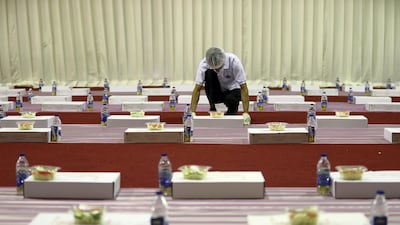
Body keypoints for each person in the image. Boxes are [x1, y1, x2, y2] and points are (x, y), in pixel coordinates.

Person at [190, 47, 251, 125]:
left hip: (233, 90)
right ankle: (213, 107)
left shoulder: (234, 61)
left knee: (231, 99)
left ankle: (232, 109)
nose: (216, 70)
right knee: (209, 73)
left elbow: (243, 87)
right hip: (217, 90)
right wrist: (192, 112)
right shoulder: (204, 64)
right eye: (214, 68)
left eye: (219, 68)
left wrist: (246, 112)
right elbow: (197, 89)